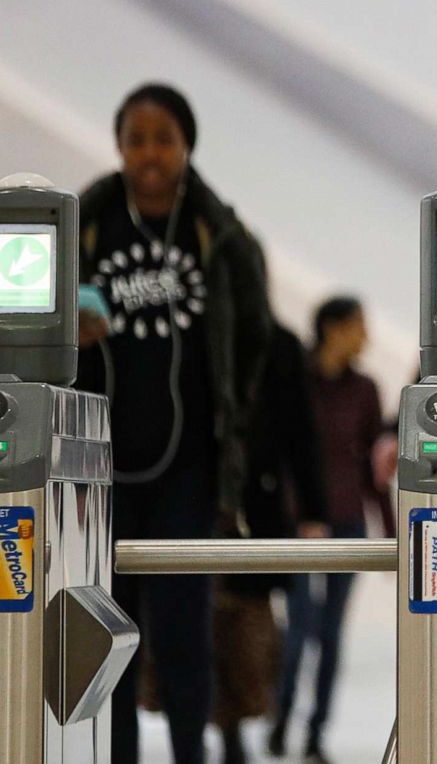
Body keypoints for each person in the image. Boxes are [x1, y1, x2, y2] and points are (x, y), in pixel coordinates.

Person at [76, 83, 271, 764]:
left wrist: (236, 422)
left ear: (187, 145)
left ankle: (193, 754)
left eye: (163, 139)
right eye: (137, 139)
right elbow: (30, 329)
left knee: (187, 637)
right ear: (119, 147)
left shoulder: (217, 230)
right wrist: (67, 341)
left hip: (190, 467)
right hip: (102, 471)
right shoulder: (87, 223)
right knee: (112, 636)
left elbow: (254, 333)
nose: (150, 153)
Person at [270, 297, 386, 764]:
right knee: (299, 626)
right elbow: (282, 454)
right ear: (333, 329)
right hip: (302, 522)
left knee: (332, 631)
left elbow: (374, 465)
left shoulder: (366, 388)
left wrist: (393, 535)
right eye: (358, 326)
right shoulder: (297, 380)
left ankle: (317, 731)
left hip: (349, 522)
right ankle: (280, 718)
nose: (365, 337)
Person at [213, 322, 329, 764]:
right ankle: (230, 728)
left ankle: (244, 723)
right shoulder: (218, 334)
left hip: (256, 510)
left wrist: (315, 511)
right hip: (211, 506)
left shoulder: (278, 345)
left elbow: (301, 433)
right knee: (218, 627)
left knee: (251, 628)